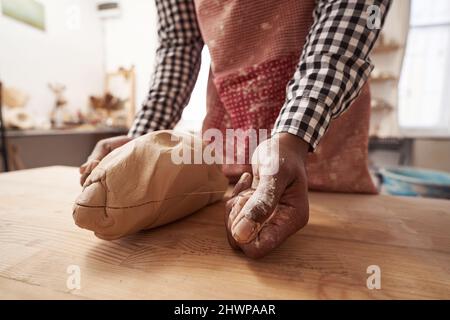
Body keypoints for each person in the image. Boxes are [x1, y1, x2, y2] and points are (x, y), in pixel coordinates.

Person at [80, 0, 391, 258]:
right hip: (232, 131)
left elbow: (349, 16)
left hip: (322, 130)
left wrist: (294, 137)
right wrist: (142, 138)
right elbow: (178, 45)